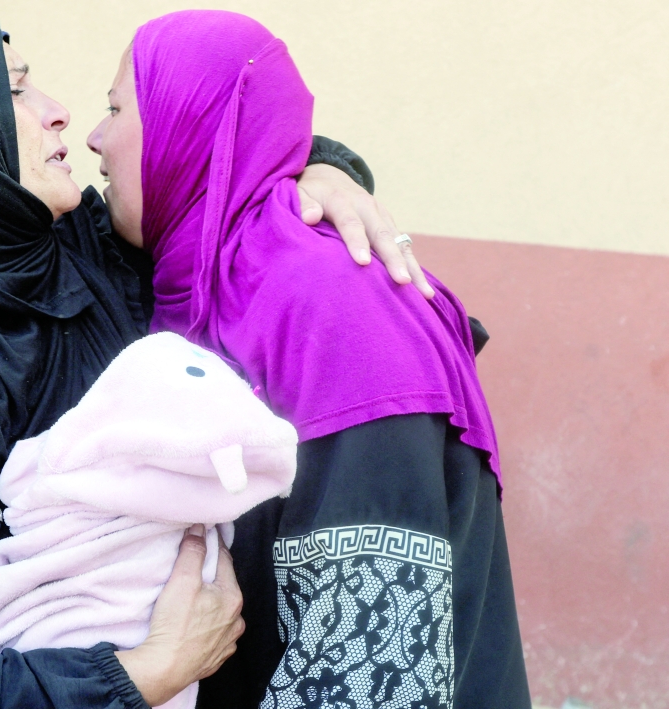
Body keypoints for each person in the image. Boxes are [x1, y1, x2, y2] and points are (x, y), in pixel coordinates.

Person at [0, 10, 421, 709]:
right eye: (15, 91)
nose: (59, 113)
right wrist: (139, 674)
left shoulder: (97, 258)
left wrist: (324, 172)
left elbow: (218, 165)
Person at [86, 10, 530, 709]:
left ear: (186, 124)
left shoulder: (334, 307)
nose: (94, 137)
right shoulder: (204, 284)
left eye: (115, 108)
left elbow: (370, 661)